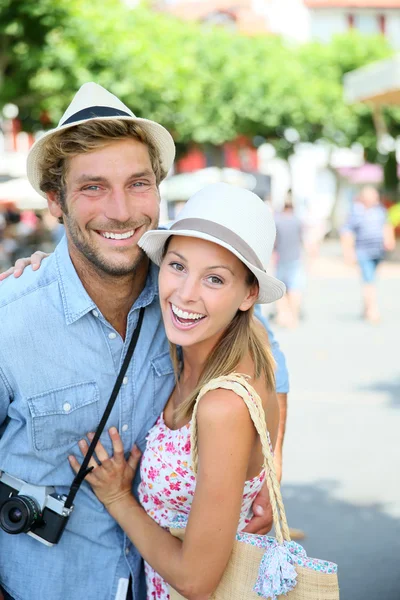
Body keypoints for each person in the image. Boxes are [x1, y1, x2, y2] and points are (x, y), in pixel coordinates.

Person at [0, 83, 289, 600]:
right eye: (92, 188)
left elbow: (271, 364)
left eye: (138, 183)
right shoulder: (10, 322)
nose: (121, 210)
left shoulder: (185, 297)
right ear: (55, 203)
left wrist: (267, 469)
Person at [69, 181, 286, 599]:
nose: (186, 294)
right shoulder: (211, 344)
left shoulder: (223, 406)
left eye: (215, 279)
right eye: (178, 266)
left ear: (249, 293)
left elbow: (195, 580)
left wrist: (117, 498)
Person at [341, 185, 395, 323]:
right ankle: (372, 310)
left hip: (378, 251)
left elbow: (386, 225)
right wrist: (348, 252)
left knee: (371, 279)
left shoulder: (380, 211)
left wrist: (389, 240)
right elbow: (347, 232)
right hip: (363, 251)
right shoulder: (356, 212)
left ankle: (366, 307)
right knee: (368, 280)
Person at [274, 193, 305, 328]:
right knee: (295, 288)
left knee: (281, 289)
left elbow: (275, 242)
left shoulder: (278, 221)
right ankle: (294, 316)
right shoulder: (298, 221)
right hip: (295, 258)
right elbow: (301, 239)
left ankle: (282, 315)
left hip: (281, 258)